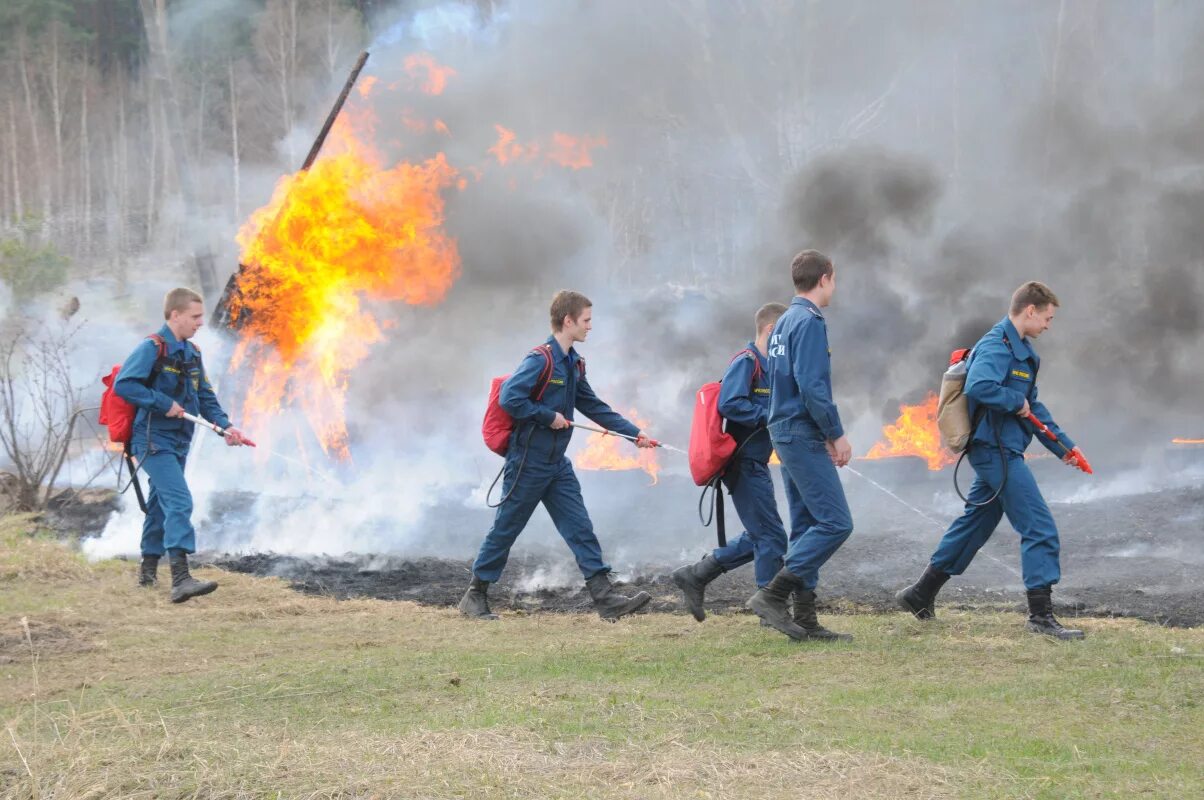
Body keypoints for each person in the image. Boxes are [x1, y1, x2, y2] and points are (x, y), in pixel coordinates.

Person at [896, 281, 1087, 640]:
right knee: (1039, 526)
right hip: (993, 449)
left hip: (1006, 447)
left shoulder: (1025, 353)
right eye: (1047, 317)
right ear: (1030, 309)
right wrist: (1015, 403)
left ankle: (920, 593)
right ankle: (1041, 618)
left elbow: (1034, 406)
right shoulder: (996, 344)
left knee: (976, 523)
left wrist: (1065, 447)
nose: (1048, 324)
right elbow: (979, 386)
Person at [459, 290, 657, 621]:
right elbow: (511, 399)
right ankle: (475, 595)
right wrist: (547, 415)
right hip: (527, 463)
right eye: (586, 320)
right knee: (506, 530)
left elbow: (593, 406)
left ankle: (605, 598)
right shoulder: (540, 359)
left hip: (556, 465)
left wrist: (633, 434)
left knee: (580, 527)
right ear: (568, 321)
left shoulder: (574, 363)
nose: (590, 327)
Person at [115, 288, 249, 602]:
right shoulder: (152, 348)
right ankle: (181, 579)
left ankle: (147, 574)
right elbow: (126, 385)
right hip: (151, 439)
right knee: (179, 500)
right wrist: (162, 403)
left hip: (178, 441)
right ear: (175, 315)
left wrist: (225, 427)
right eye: (195, 316)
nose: (200, 322)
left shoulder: (192, 354)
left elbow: (205, 397)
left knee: (161, 504)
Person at [747, 250, 853, 642]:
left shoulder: (783, 322)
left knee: (807, 524)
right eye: (834, 279)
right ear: (825, 278)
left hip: (785, 431)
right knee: (836, 522)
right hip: (801, 432)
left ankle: (806, 617)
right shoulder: (808, 322)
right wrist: (835, 433)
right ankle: (773, 595)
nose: (834, 287)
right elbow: (811, 385)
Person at [671, 302, 789, 621]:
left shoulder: (772, 367)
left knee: (761, 534)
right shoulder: (747, 362)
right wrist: (768, 417)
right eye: (786, 333)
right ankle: (770, 608)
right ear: (770, 330)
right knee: (771, 537)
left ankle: (696, 575)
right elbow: (730, 403)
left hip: (757, 464)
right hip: (743, 465)